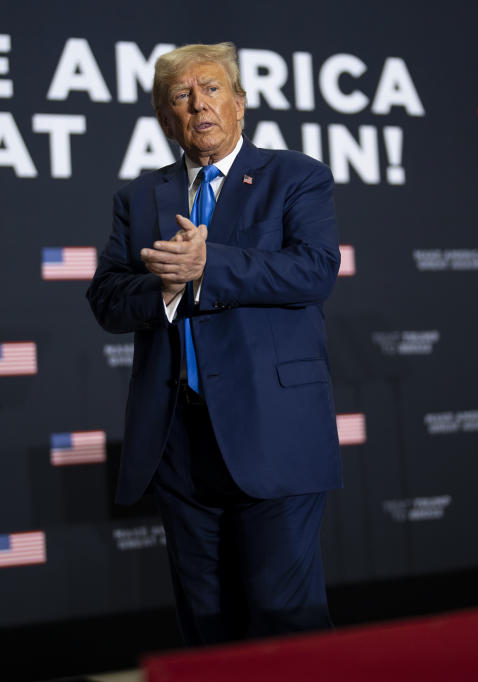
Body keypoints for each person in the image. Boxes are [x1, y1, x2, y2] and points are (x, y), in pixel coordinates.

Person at [86, 42, 342, 646]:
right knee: (207, 628)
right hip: (178, 442)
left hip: (275, 432)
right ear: (164, 116)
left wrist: (209, 267)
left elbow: (313, 270)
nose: (198, 105)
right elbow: (106, 299)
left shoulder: (296, 176)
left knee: (285, 619)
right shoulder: (139, 199)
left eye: (211, 89)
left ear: (240, 104)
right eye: (181, 95)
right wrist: (167, 288)